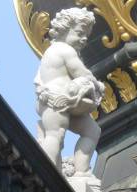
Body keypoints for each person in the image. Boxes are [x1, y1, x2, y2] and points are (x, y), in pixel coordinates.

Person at [35, 7, 104, 175]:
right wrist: (97, 84)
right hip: (57, 99)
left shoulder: (51, 52)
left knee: (92, 131)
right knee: (55, 135)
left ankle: (81, 172)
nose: (84, 39)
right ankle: (47, 174)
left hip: (62, 101)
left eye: (86, 35)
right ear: (65, 29)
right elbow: (81, 72)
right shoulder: (65, 49)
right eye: (80, 33)